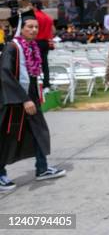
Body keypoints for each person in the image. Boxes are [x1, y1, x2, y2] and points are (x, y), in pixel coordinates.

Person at [0, 10, 66, 191]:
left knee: (39, 131)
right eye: (30, 27)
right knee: (6, 137)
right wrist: (24, 99)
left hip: (30, 98)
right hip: (13, 101)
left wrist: (35, 96)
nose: (34, 30)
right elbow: (5, 75)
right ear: (21, 28)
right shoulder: (12, 48)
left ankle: (42, 168)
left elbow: (32, 75)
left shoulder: (31, 47)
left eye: (36, 27)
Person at [31, 0, 54, 90]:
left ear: (35, 5)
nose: (30, 7)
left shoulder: (34, 16)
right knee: (45, 63)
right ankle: (46, 83)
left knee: (33, 63)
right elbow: (52, 31)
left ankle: (33, 83)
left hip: (36, 42)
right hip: (45, 42)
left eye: (31, 5)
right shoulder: (48, 17)